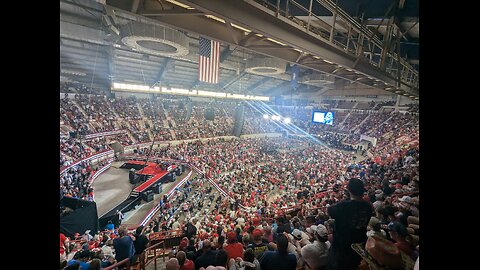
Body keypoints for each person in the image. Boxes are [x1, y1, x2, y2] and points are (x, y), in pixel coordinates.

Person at [327, 178, 374, 270]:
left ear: (349, 190)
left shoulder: (343, 205)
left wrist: (345, 200)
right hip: (359, 242)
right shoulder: (368, 206)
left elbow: (329, 210)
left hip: (342, 245)